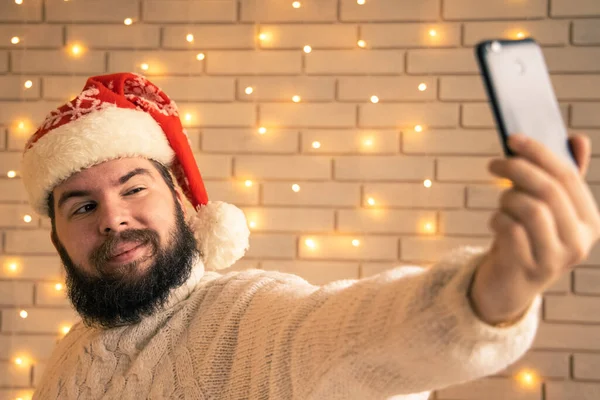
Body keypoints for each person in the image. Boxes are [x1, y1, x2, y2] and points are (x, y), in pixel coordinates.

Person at [21, 72, 599, 400]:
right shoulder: (66, 364)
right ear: (57, 239)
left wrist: (494, 293)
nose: (113, 218)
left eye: (134, 188)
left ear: (180, 199)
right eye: (82, 206)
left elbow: (342, 333)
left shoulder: (242, 317)